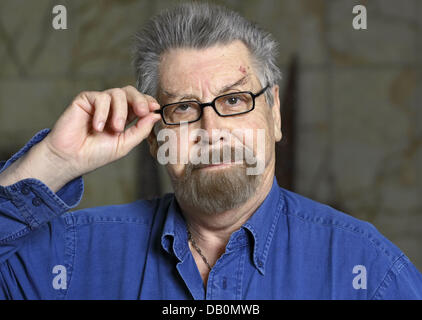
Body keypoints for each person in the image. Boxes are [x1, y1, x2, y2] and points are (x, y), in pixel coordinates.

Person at [0, 2, 421, 300]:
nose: (211, 130)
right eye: (183, 107)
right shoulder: (72, 258)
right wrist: (53, 162)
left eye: (235, 101)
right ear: (153, 136)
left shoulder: (368, 269)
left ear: (274, 114)